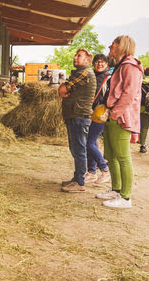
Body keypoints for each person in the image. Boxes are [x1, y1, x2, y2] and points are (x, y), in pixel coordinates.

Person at [96, 35, 143, 209]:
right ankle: (116, 189)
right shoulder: (119, 66)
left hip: (121, 117)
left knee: (123, 157)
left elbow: (129, 94)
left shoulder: (131, 66)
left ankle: (125, 197)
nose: (110, 46)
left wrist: (115, 114)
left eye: (113, 44)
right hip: (112, 115)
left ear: (122, 46)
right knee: (111, 156)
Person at [59, 49, 96, 193]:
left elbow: (62, 90)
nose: (75, 58)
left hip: (79, 116)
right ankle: (77, 178)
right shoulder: (79, 73)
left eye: (79, 56)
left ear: (87, 60)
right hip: (74, 115)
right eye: (75, 55)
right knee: (75, 148)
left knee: (79, 149)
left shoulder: (85, 73)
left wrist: (65, 89)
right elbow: (64, 89)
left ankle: (80, 182)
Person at [84, 54, 111, 184]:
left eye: (102, 62)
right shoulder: (91, 75)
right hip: (89, 113)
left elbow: (109, 96)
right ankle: (92, 172)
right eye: (97, 62)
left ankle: (104, 170)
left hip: (100, 113)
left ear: (107, 64)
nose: (99, 64)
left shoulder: (108, 78)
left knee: (89, 143)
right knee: (91, 143)